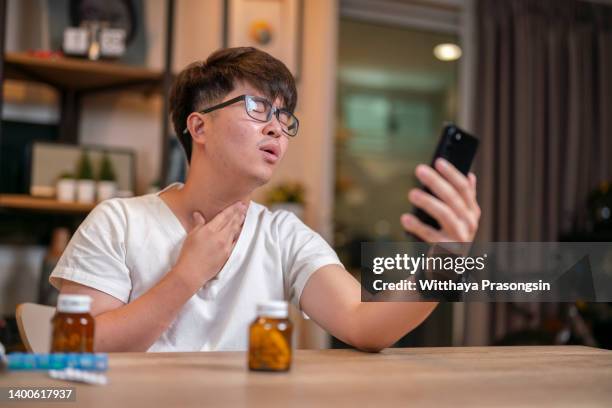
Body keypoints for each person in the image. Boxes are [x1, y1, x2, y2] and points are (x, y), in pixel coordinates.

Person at [50, 47, 480, 352]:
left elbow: (364, 324)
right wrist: (186, 276)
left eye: (283, 116)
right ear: (198, 128)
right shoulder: (118, 221)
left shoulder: (282, 234)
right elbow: (78, 347)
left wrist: (448, 259)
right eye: (257, 107)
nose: (276, 127)